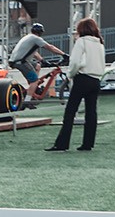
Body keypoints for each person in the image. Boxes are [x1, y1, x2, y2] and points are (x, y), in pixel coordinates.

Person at [46, 17, 107, 152]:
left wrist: (70, 75)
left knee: (70, 112)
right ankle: (88, 143)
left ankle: (62, 143)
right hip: (96, 80)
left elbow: (75, 62)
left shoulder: (81, 42)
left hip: (82, 78)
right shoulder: (100, 44)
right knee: (91, 112)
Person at [9, 22, 63, 100]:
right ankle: (28, 100)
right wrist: (63, 54)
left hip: (16, 61)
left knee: (37, 66)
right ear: (40, 32)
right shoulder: (35, 38)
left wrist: (42, 60)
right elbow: (50, 47)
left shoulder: (28, 37)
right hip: (21, 62)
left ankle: (33, 88)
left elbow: (34, 53)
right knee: (34, 81)